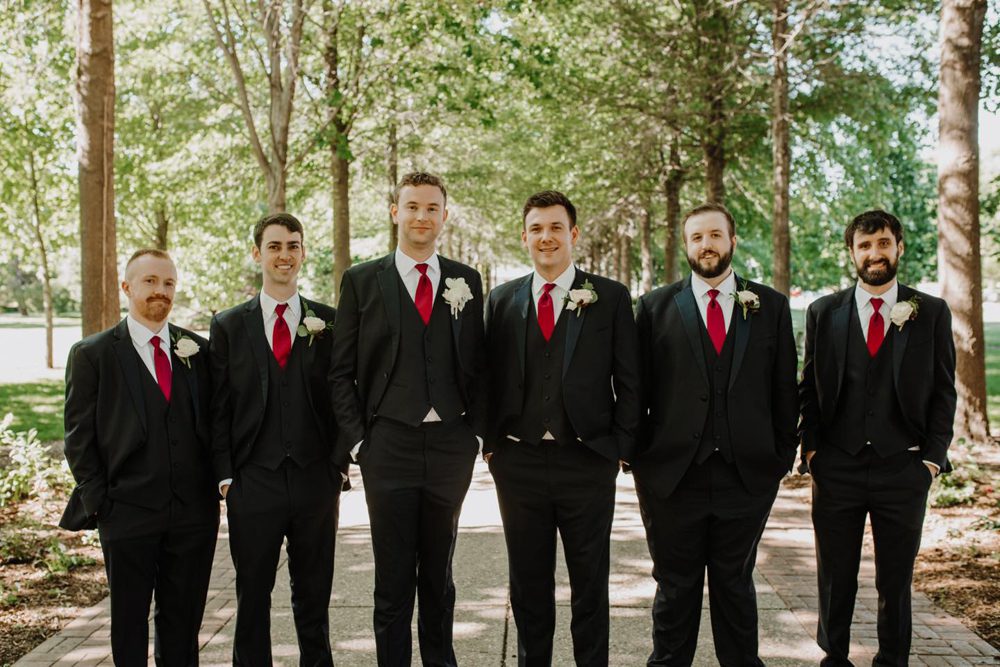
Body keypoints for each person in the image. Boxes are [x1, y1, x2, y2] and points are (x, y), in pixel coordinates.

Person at [329, 171, 487, 666]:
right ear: (396, 211)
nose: (422, 216)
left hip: (449, 447)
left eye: (432, 208)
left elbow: (479, 365)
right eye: (412, 206)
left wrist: (474, 435)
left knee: (439, 573)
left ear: (444, 214)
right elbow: (340, 373)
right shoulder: (361, 280)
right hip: (388, 446)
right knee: (393, 576)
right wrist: (360, 444)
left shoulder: (466, 280)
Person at [633, 203, 799, 666]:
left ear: (732, 241)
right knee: (674, 587)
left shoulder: (770, 306)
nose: (706, 245)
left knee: (735, 585)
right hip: (671, 478)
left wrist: (780, 458)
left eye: (715, 236)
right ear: (686, 245)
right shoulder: (654, 307)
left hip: (746, 477)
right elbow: (637, 388)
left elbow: (785, 388)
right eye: (697, 237)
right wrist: (640, 460)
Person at [483, 190, 640, 666]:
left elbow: (630, 379)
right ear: (525, 236)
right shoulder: (502, 299)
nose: (546, 237)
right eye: (536, 229)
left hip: (588, 461)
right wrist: (492, 447)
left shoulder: (609, 297)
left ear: (573, 234)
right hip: (519, 463)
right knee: (528, 585)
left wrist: (619, 449)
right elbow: (486, 378)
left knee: (590, 583)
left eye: (555, 228)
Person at [799, 209, 956, 667]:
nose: (875, 254)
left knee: (896, 578)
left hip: (903, 467)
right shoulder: (823, 313)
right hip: (837, 465)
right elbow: (809, 388)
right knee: (835, 574)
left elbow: (945, 390)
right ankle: (835, 657)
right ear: (852, 252)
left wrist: (930, 460)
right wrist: (811, 451)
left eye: (883, 243)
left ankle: (892, 660)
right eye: (865, 246)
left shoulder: (931, 312)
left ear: (899, 248)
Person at [60, 249, 219, 665]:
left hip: (193, 516)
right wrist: (102, 503)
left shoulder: (197, 351)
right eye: (150, 281)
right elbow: (79, 438)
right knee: (129, 626)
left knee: (184, 625)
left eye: (168, 283)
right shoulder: (93, 355)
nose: (160, 291)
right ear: (127, 287)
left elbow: (216, 424)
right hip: (126, 513)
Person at [210, 213, 342, 665]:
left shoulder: (328, 321)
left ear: (303, 253)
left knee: (313, 595)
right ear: (257, 254)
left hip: (314, 480)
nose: (284, 255)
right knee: (252, 597)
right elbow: (219, 406)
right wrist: (227, 477)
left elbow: (343, 394)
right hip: (253, 481)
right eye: (274, 246)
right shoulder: (228, 325)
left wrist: (337, 465)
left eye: (292, 246)